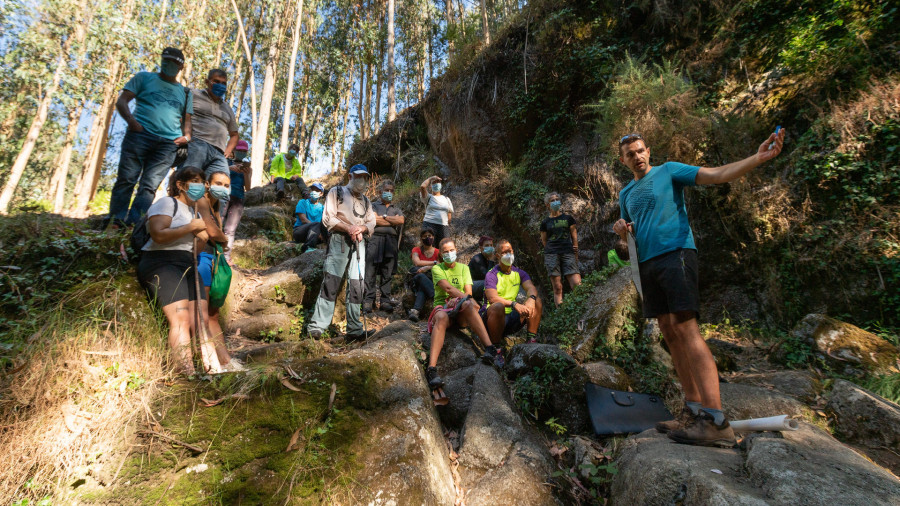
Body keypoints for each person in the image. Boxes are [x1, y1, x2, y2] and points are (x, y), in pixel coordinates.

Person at [614, 130, 785, 447]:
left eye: (640, 150)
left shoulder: (669, 171)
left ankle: (716, 420)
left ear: (648, 151)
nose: (636, 156)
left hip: (677, 254)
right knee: (667, 329)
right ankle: (692, 410)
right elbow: (629, 235)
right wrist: (622, 231)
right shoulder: (625, 195)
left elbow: (716, 175)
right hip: (648, 264)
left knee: (686, 327)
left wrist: (757, 158)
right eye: (630, 154)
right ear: (623, 160)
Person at [136, 166, 220, 375]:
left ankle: (213, 369)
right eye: (194, 181)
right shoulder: (167, 203)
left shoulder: (194, 212)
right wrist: (191, 227)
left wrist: (201, 238)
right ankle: (186, 374)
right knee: (180, 320)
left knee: (200, 320)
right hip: (161, 262)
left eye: (201, 181)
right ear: (180, 185)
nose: (199, 185)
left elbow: (193, 248)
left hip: (187, 264)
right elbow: (158, 234)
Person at [106, 47, 192, 228]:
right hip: (139, 136)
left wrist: (187, 136)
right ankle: (115, 221)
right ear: (161, 60)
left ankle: (133, 225)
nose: (170, 65)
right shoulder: (144, 78)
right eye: (167, 60)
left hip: (168, 144)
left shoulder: (184, 92)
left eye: (175, 63)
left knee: (149, 186)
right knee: (126, 179)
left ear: (181, 67)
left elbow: (187, 118)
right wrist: (131, 122)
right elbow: (122, 101)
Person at [307, 165, 377, 341]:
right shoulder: (336, 192)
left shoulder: (367, 201)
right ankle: (317, 327)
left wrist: (359, 228)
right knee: (331, 281)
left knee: (356, 284)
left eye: (365, 177)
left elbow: (371, 223)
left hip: (359, 243)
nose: (362, 181)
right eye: (359, 177)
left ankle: (354, 329)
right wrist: (349, 228)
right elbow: (328, 218)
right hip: (339, 240)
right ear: (351, 176)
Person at [424, 238, 503, 392]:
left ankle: (490, 348)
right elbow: (447, 288)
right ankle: (431, 369)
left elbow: (469, 292)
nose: (449, 254)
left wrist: (463, 299)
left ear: (456, 250)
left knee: (467, 304)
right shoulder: (437, 269)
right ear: (440, 253)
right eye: (445, 251)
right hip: (444, 308)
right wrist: (462, 298)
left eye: (451, 250)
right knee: (442, 316)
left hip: (460, 310)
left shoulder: (463, 268)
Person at [195, 171, 245, 371]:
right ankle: (210, 363)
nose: (222, 188)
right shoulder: (200, 201)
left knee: (213, 315)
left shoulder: (216, 205)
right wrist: (222, 239)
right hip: (200, 258)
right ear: (207, 184)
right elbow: (214, 232)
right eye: (218, 183)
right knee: (203, 314)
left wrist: (220, 239)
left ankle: (226, 361)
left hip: (212, 259)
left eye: (226, 185)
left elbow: (217, 234)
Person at [482, 239, 543, 345]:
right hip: (492, 318)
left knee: (536, 300)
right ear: (497, 256)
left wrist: (531, 300)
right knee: (498, 306)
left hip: (511, 318)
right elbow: (493, 299)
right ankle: (497, 348)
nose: (508, 255)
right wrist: (514, 304)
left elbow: (530, 288)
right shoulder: (491, 274)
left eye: (510, 251)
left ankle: (531, 339)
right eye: (504, 253)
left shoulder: (519, 273)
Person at [364, 179, 405, 313]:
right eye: (386, 190)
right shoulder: (373, 205)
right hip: (375, 239)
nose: (389, 193)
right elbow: (374, 220)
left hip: (391, 242)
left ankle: (385, 301)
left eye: (391, 191)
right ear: (381, 191)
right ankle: (368, 300)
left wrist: (384, 217)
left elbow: (401, 220)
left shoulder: (396, 208)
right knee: (370, 270)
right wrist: (392, 220)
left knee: (387, 272)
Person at [540, 192, 582, 305]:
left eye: (557, 199)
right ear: (547, 205)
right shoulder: (545, 222)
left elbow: (574, 236)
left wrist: (575, 252)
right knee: (557, 288)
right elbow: (544, 241)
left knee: (577, 284)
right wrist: (551, 251)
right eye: (552, 200)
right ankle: (561, 314)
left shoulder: (568, 218)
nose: (555, 202)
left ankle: (582, 309)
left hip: (568, 252)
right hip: (551, 254)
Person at [222, 140, 251, 262]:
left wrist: (245, 173)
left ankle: (226, 257)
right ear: (234, 150)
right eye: (239, 150)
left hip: (238, 198)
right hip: (223, 196)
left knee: (230, 229)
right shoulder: (225, 163)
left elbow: (248, 187)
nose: (241, 153)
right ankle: (212, 252)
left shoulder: (248, 168)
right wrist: (230, 168)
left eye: (244, 151)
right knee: (218, 223)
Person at [408, 227, 439, 322]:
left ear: (433, 237)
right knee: (419, 275)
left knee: (423, 286)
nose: (427, 238)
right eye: (425, 236)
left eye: (429, 236)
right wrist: (434, 263)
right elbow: (417, 262)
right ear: (421, 239)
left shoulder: (438, 252)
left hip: (430, 280)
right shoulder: (416, 250)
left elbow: (440, 265)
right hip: (416, 279)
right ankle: (435, 295)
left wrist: (426, 268)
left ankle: (415, 311)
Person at [292, 182, 327, 252]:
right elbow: (303, 219)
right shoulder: (303, 202)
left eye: (317, 191)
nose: (314, 192)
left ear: (321, 194)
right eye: (312, 190)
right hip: (300, 232)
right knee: (317, 224)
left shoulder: (323, 208)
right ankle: (308, 247)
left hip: (315, 235)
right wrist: (317, 229)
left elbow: (325, 223)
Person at [419, 175, 453, 245]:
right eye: (434, 183)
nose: (436, 184)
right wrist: (431, 178)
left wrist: (445, 226)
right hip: (429, 225)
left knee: (444, 247)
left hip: (443, 227)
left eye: (438, 182)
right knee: (428, 247)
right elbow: (422, 187)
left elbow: (449, 216)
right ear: (430, 186)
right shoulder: (428, 197)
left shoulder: (446, 199)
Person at [468, 235, 497, 304]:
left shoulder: (489, 258)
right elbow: (488, 277)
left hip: (481, 285)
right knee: (489, 283)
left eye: (491, 245)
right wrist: (491, 261)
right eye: (487, 245)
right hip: (471, 286)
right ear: (481, 248)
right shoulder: (477, 259)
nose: (489, 247)